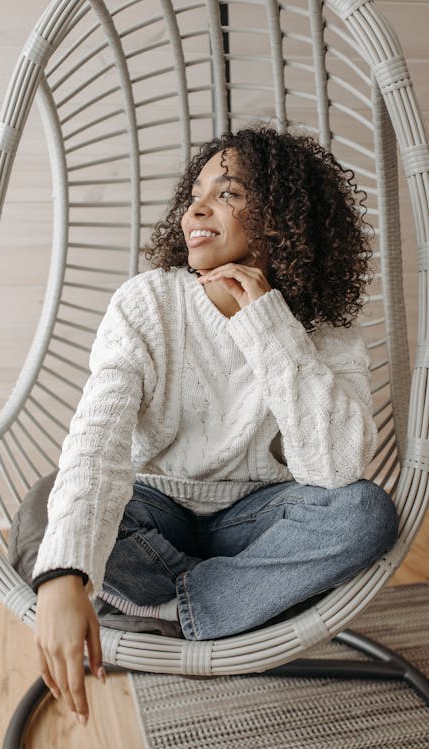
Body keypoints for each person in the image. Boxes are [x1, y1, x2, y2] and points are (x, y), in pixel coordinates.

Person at [22, 124, 399, 726]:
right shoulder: (146, 302)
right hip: (153, 508)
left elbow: (335, 468)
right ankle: (233, 605)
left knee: (366, 511)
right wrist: (66, 576)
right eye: (194, 193)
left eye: (227, 193)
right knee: (47, 506)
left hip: (256, 516)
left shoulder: (323, 331)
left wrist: (270, 326)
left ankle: (176, 608)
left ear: (283, 218)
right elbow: (100, 438)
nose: (194, 208)